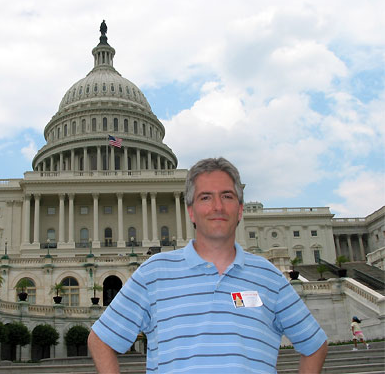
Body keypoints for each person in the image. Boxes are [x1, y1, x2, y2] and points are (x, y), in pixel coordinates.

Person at [88, 157, 328, 373]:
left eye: (227, 196)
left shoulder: (270, 277)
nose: (217, 207)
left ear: (240, 210)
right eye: (206, 197)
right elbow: (100, 340)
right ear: (191, 211)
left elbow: (315, 344)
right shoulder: (154, 273)